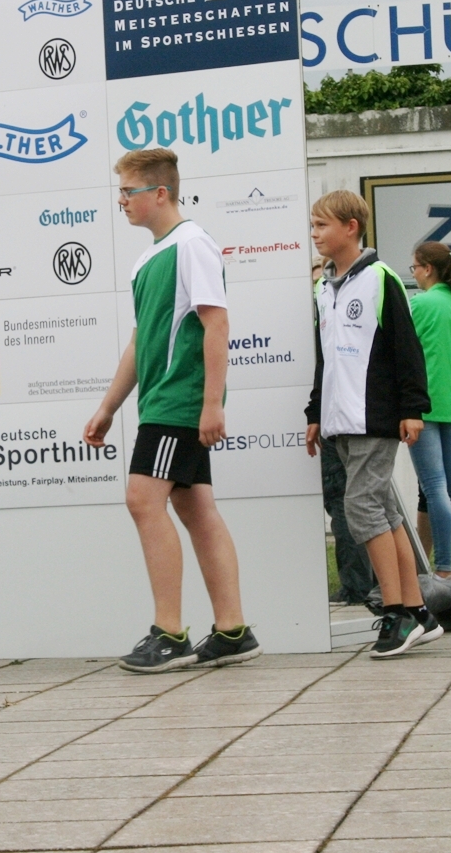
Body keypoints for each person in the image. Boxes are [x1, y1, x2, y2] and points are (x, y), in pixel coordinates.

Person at [84, 148, 262, 673]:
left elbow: (216, 323)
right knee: (197, 510)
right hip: (161, 401)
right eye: (119, 192)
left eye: (128, 191)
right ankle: (232, 631)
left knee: (143, 500)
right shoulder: (148, 259)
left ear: (160, 193)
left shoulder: (192, 245)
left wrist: (211, 404)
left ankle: (170, 634)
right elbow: (140, 342)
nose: (121, 201)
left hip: (178, 401)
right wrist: (108, 407)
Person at [305, 190, 442, 659]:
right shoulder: (324, 287)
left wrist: (413, 407)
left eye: (322, 225)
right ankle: (418, 610)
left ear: (351, 228)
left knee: (361, 508)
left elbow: (407, 348)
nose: (314, 234)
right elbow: (325, 359)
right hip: (339, 419)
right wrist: (315, 412)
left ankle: (396, 611)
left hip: (375, 415)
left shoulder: (381, 279)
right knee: (383, 512)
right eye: (312, 225)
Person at [314, 258, 380, 611]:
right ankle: (385, 589)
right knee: (365, 504)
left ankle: (359, 585)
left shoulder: (360, 287)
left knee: (351, 502)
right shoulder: (325, 297)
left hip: (351, 415)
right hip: (336, 414)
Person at [407, 241, 451, 580]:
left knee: (434, 486)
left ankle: (444, 569)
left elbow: (404, 348)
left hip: (425, 403)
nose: (414, 274)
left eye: (414, 268)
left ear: (428, 269)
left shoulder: (421, 303)